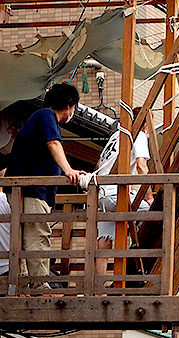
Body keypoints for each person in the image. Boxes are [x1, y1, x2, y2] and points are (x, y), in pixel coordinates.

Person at [6, 83, 84, 290]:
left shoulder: (39, 117)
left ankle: (22, 285)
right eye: (73, 107)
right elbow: (54, 144)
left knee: (21, 237)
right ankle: (39, 286)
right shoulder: (47, 116)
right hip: (31, 189)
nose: (72, 113)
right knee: (36, 235)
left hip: (23, 189)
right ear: (68, 105)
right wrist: (69, 170)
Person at [94, 107, 153, 277]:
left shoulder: (116, 136)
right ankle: (138, 261)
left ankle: (99, 289)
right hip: (116, 194)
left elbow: (98, 165)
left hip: (102, 195)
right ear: (145, 124)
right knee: (151, 213)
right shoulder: (137, 135)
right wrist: (149, 197)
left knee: (104, 242)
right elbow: (142, 166)